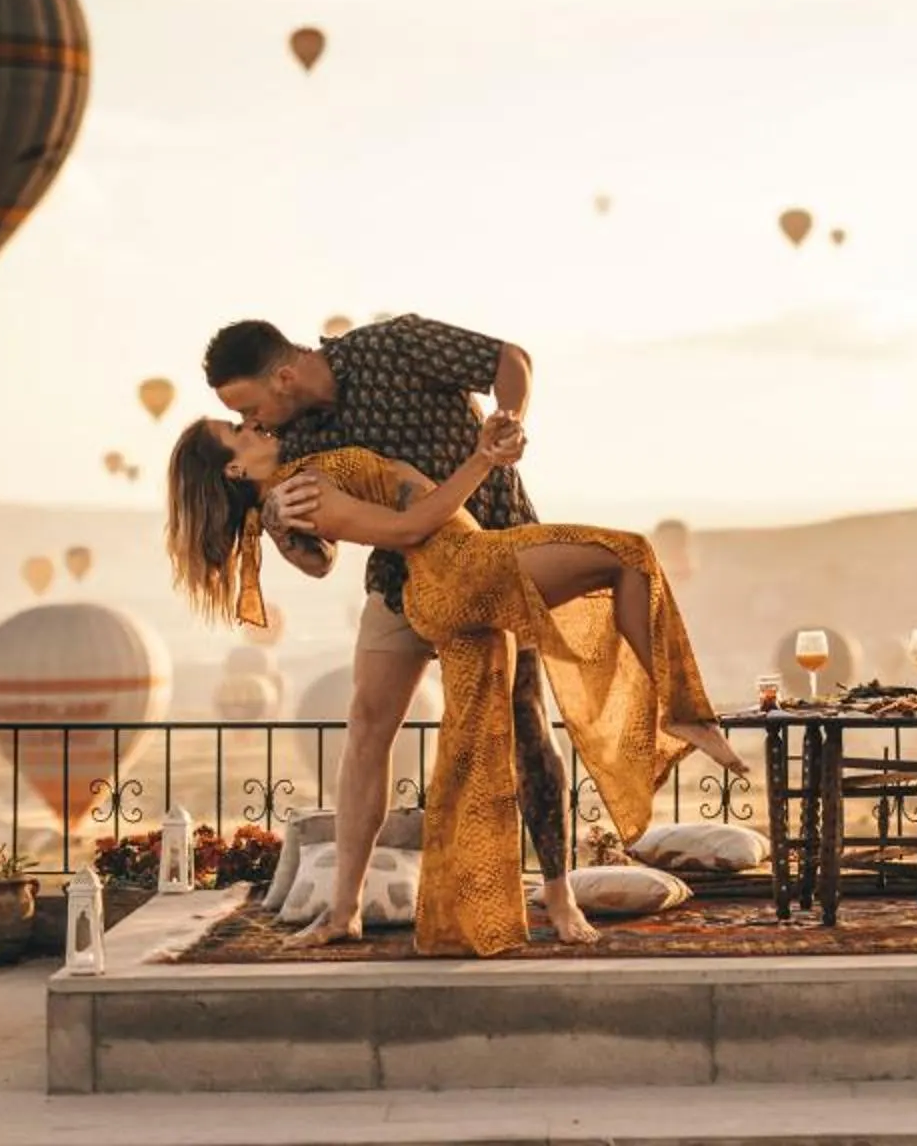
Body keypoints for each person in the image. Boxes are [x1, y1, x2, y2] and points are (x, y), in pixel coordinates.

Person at [166, 406, 741, 954]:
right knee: (630, 555)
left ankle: (436, 915)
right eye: (236, 430)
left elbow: (322, 551)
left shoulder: (294, 480)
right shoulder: (303, 492)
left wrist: (272, 520)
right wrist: (482, 459)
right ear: (235, 468)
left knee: (478, 750)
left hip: (458, 571)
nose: (252, 426)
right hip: (464, 571)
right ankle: (680, 711)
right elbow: (410, 524)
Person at [197, 315, 583, 944]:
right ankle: (343, 910)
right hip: (402, 579)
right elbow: (321, 562)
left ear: (286, 375)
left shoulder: (393, 344)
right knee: (366, 727)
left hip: (496, 556)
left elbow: (508, 359)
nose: (256, 423)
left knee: (526, 721)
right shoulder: (295, 443)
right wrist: (277, 523)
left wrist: (508, 419)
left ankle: (560, 897)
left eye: (252, 406)